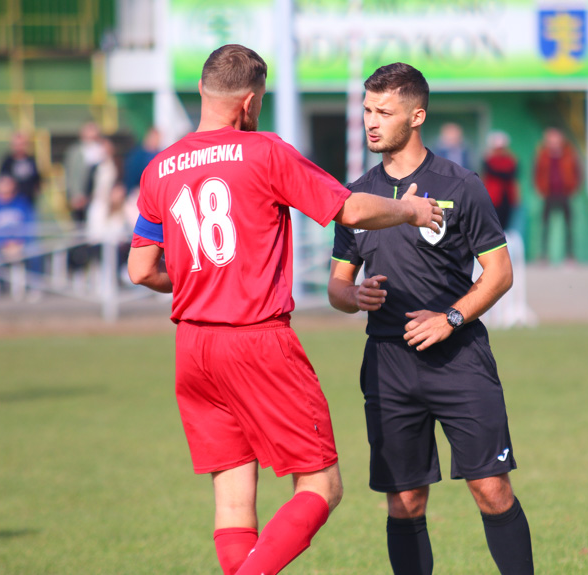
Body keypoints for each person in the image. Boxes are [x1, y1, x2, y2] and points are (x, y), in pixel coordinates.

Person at [127, 45, 441, 575]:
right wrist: (410, 208)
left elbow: (141, 270)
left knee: (231, 497)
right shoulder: (264, 152)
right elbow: (350, 208)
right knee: (321, 484)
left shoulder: (160, 168)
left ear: (204, 91)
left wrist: (205, 281)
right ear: (249, 103)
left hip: (193, 349)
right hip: (255, 339)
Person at [328, 63, 533, 575]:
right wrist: (354, 296)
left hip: (459, 360)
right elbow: (336, 286)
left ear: (416, 116)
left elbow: (499, 273)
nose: (371, 122)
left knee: (491, 488)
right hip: (388, 365)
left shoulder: (460, 185)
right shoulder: (356, 198)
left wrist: (451, 318)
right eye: (367, 111)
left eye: (384, 112)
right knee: (404, 502)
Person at [533, 128, 580, 263]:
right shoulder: (542, 154)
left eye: (556, 139)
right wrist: (540, 189)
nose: (553, 142)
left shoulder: (569, 154)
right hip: (548, 194)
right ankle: (543, 255)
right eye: (550, 140)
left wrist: (574, 188)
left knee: (568, 226)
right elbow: (537, 173)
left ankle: (569, 256)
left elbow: (577, 172)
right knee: (545, 226)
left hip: (564, 194)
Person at [64, 121, 104, 222]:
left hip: (98, 195)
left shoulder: (102, 149)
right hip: (81, 196)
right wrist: (76, 194)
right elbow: (72, 174)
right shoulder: (75, 152)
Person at [481, 130, 519, 231]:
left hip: (507, 197)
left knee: (506, 224)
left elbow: (511, 174)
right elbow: (491, 172)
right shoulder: (488, 160)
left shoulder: (510, 160)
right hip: (493, 197)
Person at [0, 131, 41, 209]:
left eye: (22, 144)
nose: (19, 147)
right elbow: (2, 181)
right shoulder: (7, 161)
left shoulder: (32, 160)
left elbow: (37, 179)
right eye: (17, 144)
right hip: (12, 204)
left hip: (29, 202)